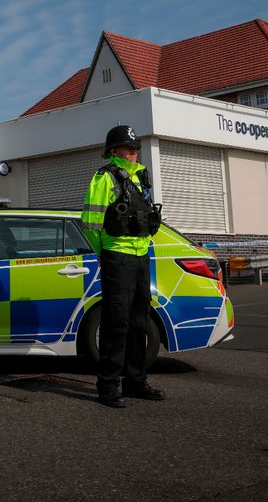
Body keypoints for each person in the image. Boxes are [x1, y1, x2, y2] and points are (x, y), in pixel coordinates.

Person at [82, 124, 165, 409]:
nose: (132, 153)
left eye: (134, 149)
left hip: (142, 255)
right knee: (116, 324)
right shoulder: (103, 178)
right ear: (113, 151)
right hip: (117, 256)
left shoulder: (141, 177)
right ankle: (107, 386)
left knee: (139, 323)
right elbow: (91, 223)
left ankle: (136, 381)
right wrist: (103, 252)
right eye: (127, 149)